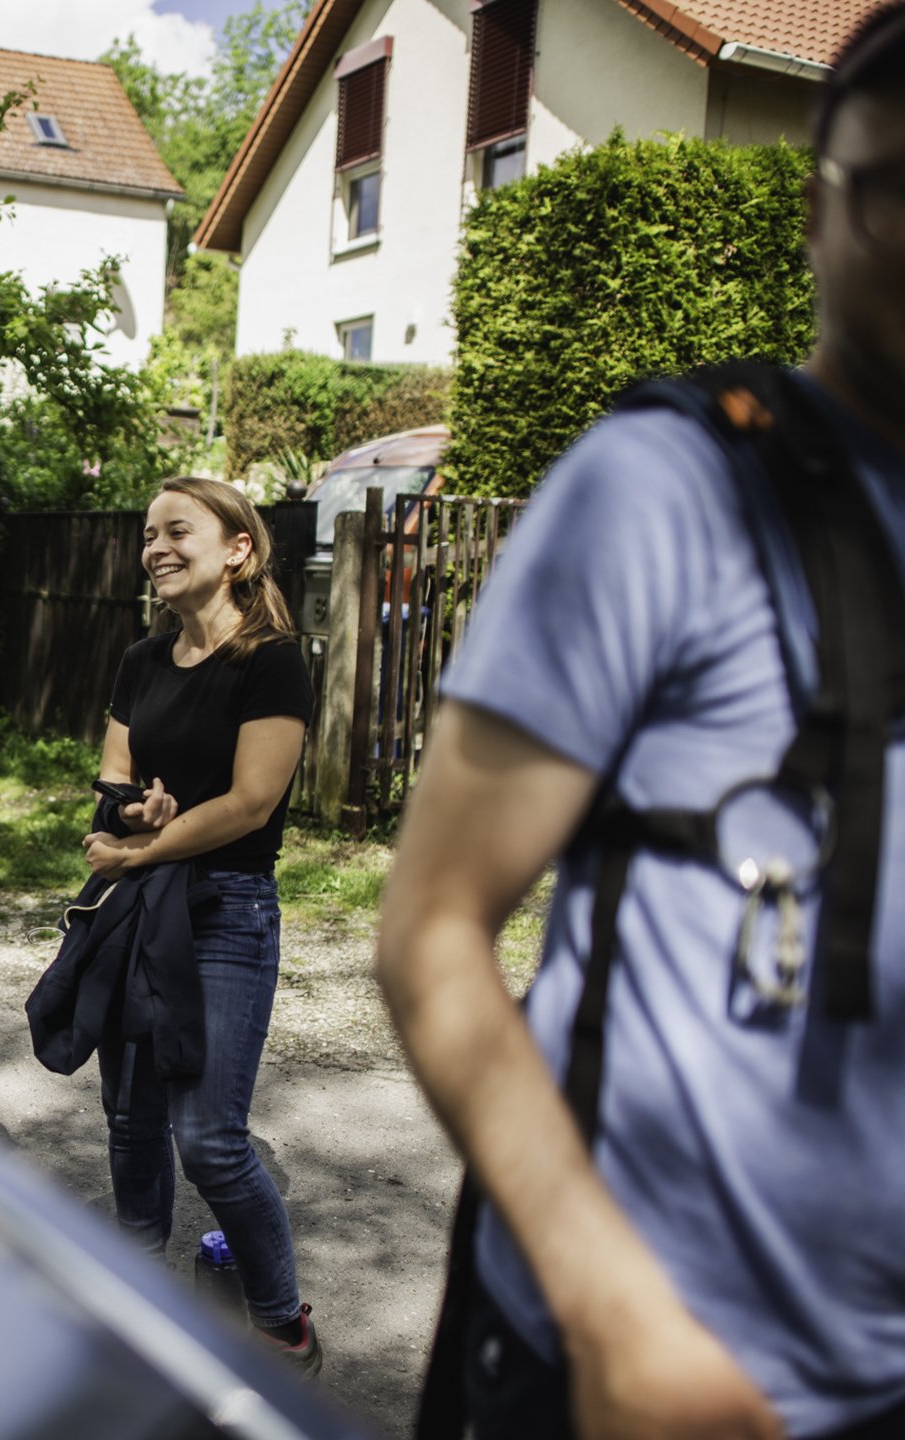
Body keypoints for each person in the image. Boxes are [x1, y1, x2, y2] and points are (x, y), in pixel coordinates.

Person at [377, 9, 905, 1438]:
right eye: (897, 183)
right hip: (632, 1379)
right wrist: (617, 1319)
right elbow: (429, 930)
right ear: (816, 208)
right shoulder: (669, 490)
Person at [77, 475, 320, 1373]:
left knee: (209, 1140)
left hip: (225, 913)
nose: (155, 547)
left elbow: (254, 804)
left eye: (177, 530)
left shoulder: (272, 663)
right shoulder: (141, 661)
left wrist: (147, 847)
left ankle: (280, 1324)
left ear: (238, 550)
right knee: (133, 1124)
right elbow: (111, 783)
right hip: (141, 915)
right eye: (148, 535)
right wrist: (135, 815)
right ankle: (141, 1312)